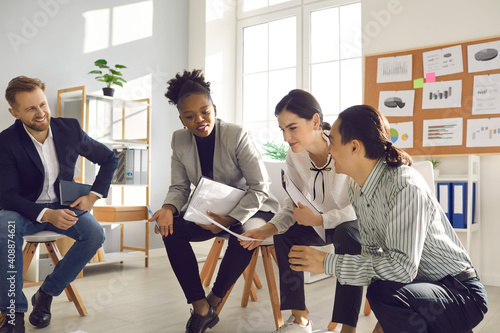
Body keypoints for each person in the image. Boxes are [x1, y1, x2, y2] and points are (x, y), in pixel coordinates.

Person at [288, 104, 488, 333]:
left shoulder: (404, 185)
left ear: (355, 147)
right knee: (380, 289)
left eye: (332, 141)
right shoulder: (357, 188)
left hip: (460, 292)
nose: (329, 150)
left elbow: (402, 269)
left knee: (383, 293)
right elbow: (376, 260)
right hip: (423, 288)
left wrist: (327, 263)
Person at [149, 69, 279, 333]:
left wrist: (229, 219)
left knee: (246, 233)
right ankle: (201, 308)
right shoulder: (180, 140)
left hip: (251, 206)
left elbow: (260, 187)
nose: (199, 119)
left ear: (214, 109)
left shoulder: (236, 135)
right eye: (190, 116)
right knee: (169, 229)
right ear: (181, 119)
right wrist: (167, 209)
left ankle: (214, 300)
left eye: (205, 111)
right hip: (209, 211)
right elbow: (178, 187)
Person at [0, 76, 118, 333]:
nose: (41, 113)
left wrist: (93, 196)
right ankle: (12, 312)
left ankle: (46, 293)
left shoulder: (69, 129)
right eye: (31, 108)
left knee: (94, 233)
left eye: (43, 104)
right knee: (5, 225)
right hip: (24, 210)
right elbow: (7, 195)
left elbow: (109, 158)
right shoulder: (6, 141)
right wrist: (47, 215)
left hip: (64, 205)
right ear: (15, 112)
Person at [240, 89, 362, 333]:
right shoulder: (294, 156)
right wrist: (268, 228)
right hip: (319, 223)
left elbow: (360, 208)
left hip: (354, 224)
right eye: (282, 129)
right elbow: (293, 201)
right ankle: (300, 318)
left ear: (315, 121)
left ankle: (348, 327)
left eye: (293, 128)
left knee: (347, 236)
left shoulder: (345, 147)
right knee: (287, 236)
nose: (286, 137)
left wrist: (320, 218)